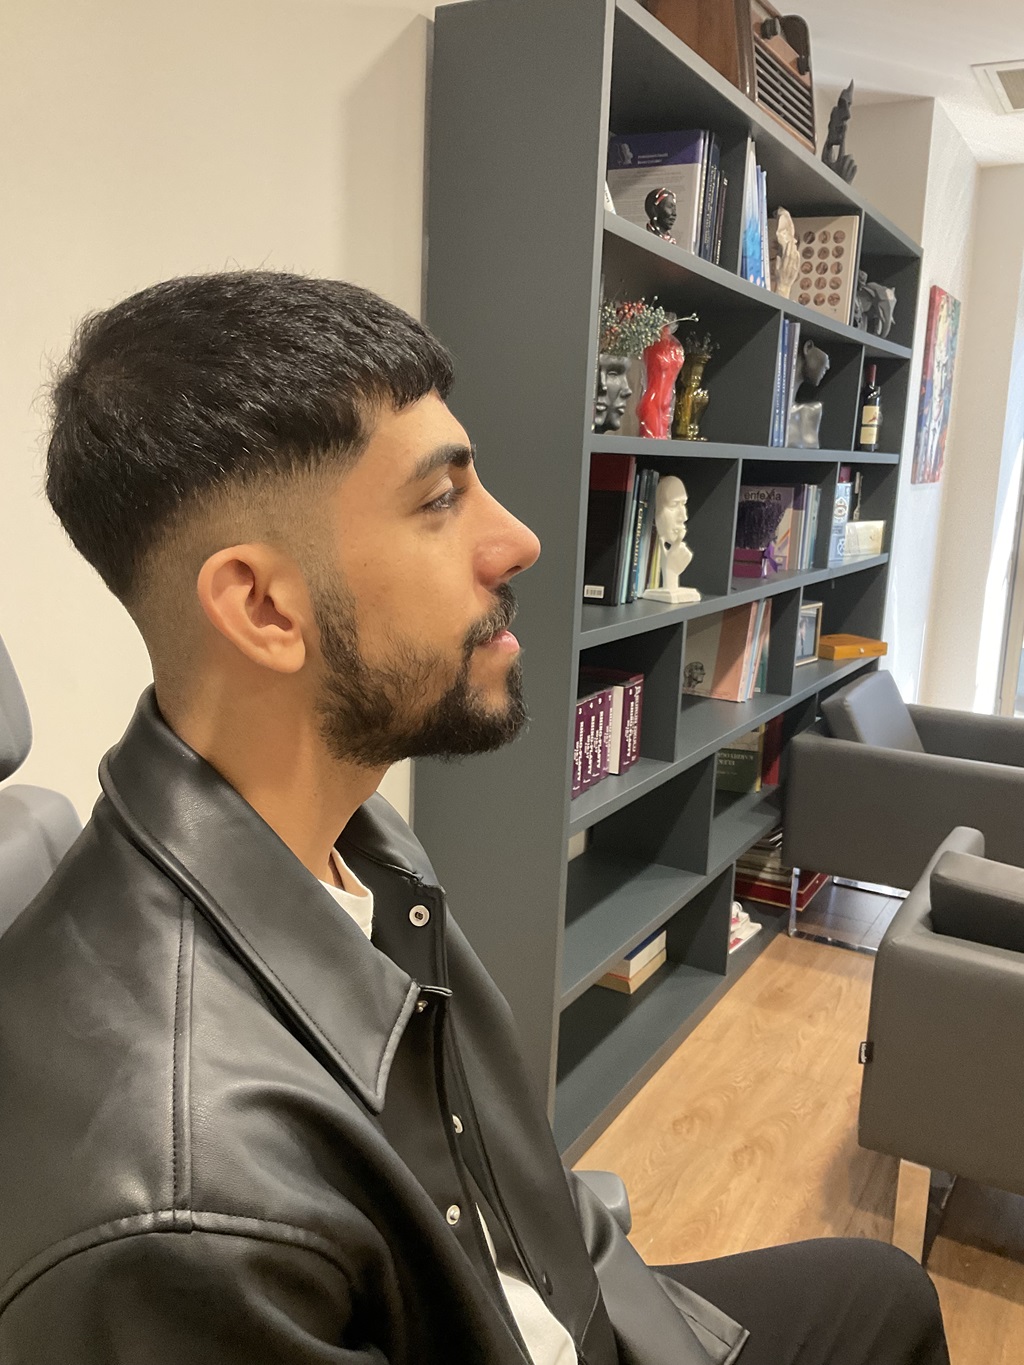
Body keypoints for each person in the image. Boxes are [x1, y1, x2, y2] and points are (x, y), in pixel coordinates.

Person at [0, 272, 949, 1365]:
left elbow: (515, 1194)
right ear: (262, 606)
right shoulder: (182, 1217)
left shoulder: (361, 845)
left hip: (547, 1313)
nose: (519, 541)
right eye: (439, 500)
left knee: (880, 1291)